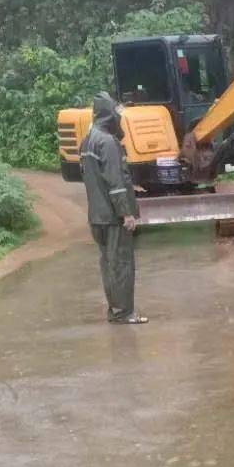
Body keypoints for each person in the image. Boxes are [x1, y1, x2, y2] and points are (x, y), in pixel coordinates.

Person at [79, 92, 148, 324]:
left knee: (108, 264)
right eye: (116, 112)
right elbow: (116, 183)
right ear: (109, 115)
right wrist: (126, 213)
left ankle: (115, 309)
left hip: (96, 216)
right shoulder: (107, 142)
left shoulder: (88, 140)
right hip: (112, 217)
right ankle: (124, 313)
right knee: (121, 263)